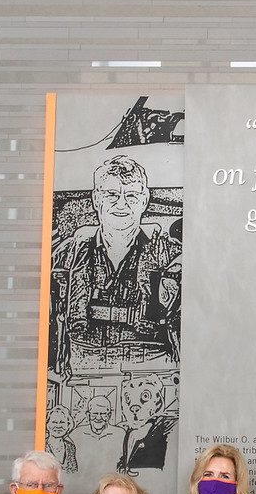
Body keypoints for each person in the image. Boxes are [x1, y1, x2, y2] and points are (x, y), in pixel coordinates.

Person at [50, 155, 181, 377]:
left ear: (144, 200)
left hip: (150, 378)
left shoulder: (170, 256)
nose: (121, 204)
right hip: (80, 374)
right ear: (96, 199)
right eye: (111, 195)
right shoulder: (66, 256)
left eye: (131, 195)